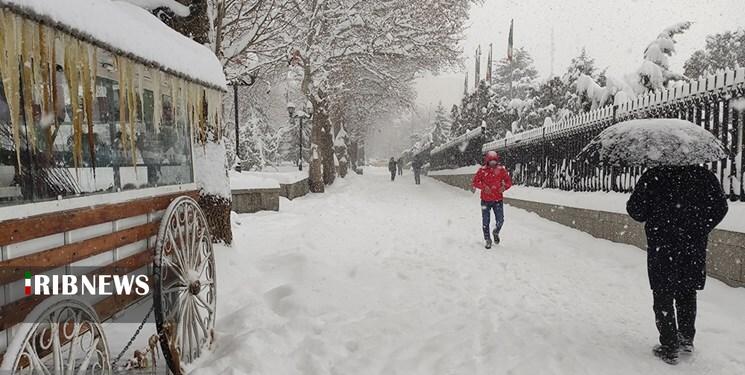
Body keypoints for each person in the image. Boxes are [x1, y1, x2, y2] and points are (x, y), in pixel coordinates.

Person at [626, 165, 728, 365]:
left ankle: (669, 344)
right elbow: (721, 207)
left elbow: (636, 211)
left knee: (662, 292)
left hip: (662, 243)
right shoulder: (703, 176)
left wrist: (652, 210)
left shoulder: (654, 175)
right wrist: (701, 226)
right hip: (693, 244)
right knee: (687, 291)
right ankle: (686, 338)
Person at [471, 151, 512, 249]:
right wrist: (483, 187)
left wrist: (504, 187)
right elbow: (475, 182)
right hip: (485, 200)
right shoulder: (482, 170)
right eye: (491, 161)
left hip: (498, 200)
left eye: (494, 160)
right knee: (486, 221)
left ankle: (496, 232)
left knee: (500, 220)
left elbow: (509, 181)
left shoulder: (501, 170)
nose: (493, 163)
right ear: (487, 161)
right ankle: (487, 239)